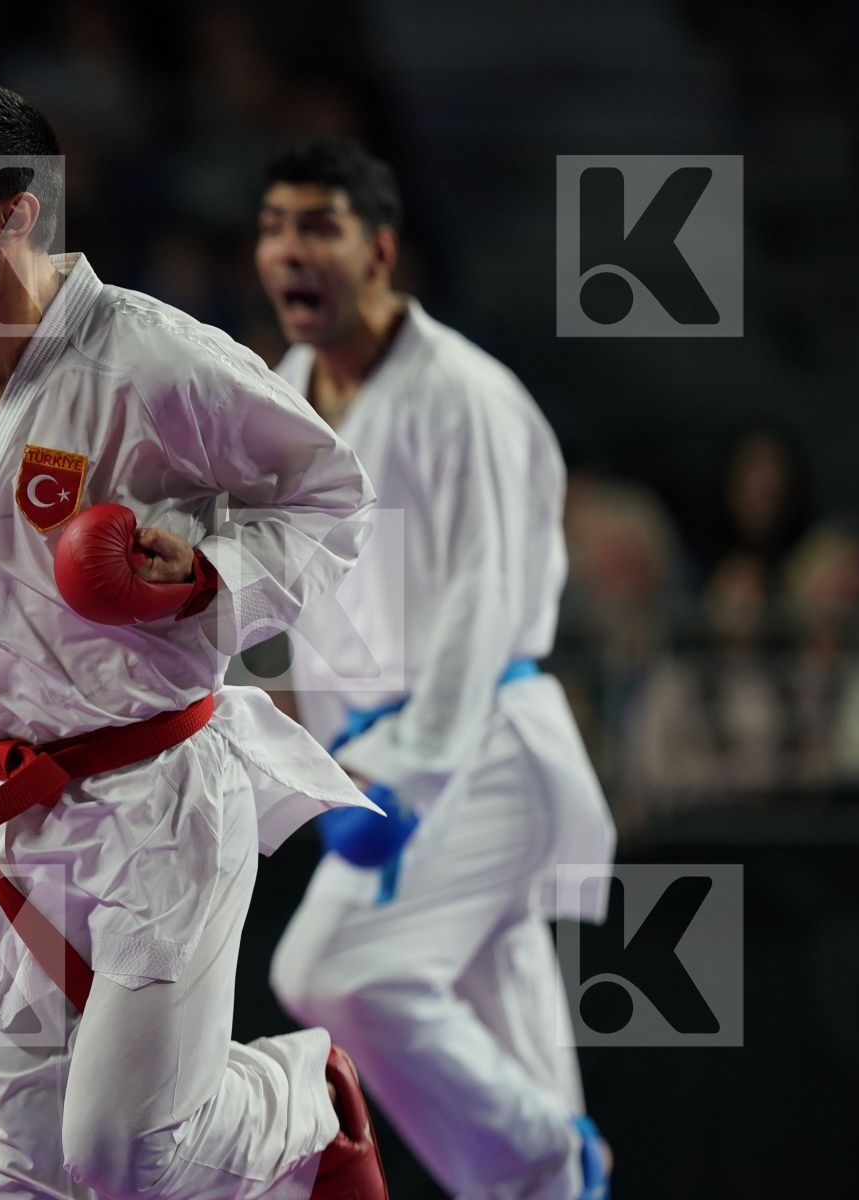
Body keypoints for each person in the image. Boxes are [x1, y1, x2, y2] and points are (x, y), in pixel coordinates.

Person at [0, 86, 388, 1199]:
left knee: (125, 1155)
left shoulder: (150, 362)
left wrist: (208, 571)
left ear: (16, 212)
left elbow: (331, 499)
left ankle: (302, 1097)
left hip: (150, 803)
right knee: (11, 1175)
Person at [255, 137, 617, 1200]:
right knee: (522, 1095)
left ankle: (553, 1152)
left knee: (324, 971)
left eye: (318, 225)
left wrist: (399, 774)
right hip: (376, 753)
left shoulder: (464, 395)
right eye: (274, 226)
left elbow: (483, 601)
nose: (289, 249)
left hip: (475, 753)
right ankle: (555, 1167)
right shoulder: (279, 392)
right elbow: (283, 587)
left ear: (379, 251)